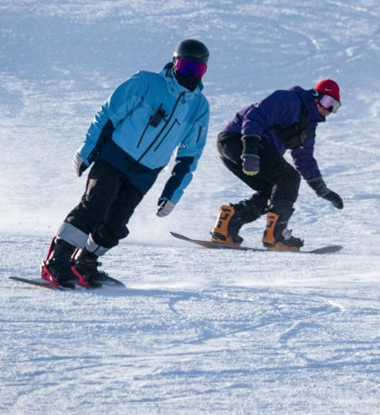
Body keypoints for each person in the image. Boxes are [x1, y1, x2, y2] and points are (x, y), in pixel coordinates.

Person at [41, 39, 211, 288]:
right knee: (94, 208)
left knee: (116, 224)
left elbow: (190, 153)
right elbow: (108, 115)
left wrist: (173, 193)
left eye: (197, 70)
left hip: (146, 172)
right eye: (186, 67)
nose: (190, 75)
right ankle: (58, 260)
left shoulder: (199, 107)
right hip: (115, 156)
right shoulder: (145, 83)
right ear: (175, 63)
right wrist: (87, 151)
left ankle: (84, 264)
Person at [210, 79, 344, 251]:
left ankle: (228, 225)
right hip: (237, 141)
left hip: (244, 148)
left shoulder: (308, 127)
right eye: (327, 102)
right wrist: (249, 150)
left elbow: (304, 160)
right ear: (315, 95)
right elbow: (254, 116)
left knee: (273, 191)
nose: (328, 110)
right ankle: (276, 235)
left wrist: (322, 190)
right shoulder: (290, 100)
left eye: (334, 107)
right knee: (288, 178)